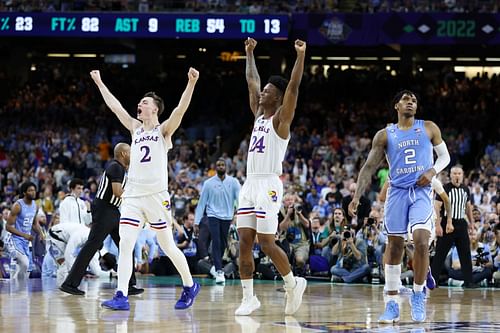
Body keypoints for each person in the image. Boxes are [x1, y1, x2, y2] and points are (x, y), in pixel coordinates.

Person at [91, 68, 200, 311]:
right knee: (126, 244)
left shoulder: (163, 131)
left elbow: (180, 110)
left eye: (145, 102)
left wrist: (191, 83)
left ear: (155, 109)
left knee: (168, 246)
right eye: (140, 101)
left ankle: (189, 285)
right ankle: (121, 295)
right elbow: (115, 106)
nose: (140, 104)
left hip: (156, 197)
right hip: (133, 197)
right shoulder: (134, 129)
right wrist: (99, 82)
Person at [348, 90, 450, 323]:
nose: (411, 102)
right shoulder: (385, 135)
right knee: (394, 247)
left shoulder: (429, 127)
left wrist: (432, 171)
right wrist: (356, 196)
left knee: (422, 241)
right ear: (396, 106)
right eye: (406, 99)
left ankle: (417, 295)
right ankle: (391, 302)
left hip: (422, 192)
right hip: (396, 192)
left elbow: (445, 157)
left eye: (414, 100)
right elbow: (368, 167)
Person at [234, 37, 307, 316]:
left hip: (268, 184)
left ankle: (292, 283)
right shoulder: (258, 117)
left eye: (267, 91)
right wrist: (249, 53)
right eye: (262, 91)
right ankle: (249, 298)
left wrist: (300, 56)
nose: (261, 93)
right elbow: (251, 80)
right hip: (250, 183)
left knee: (266, 243)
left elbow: (294, 87)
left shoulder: (280, 120)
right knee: (244, 241)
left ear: (276, 97)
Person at [60, 143, 143, 296]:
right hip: (105, 209)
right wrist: (135, 198)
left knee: (126, 245)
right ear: (124, 154)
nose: (133, 155)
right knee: (92, 245)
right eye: (131, 152)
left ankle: (128, 284)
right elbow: (118, 192)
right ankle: (69, 284)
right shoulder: (116, 167)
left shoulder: (121, 169)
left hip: (112, 210)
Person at [194, 158, 241, 284]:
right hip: (212, 215)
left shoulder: (234, 182)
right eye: (218, 165)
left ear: (226, 167)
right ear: (215, 168)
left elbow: (240, 200)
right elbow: (202, 203)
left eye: (222, 165)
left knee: (223, 243)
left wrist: (241, 214)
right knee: (216, 240)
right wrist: (196, 222)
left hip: (227, 216)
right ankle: (220, 271)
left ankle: (215, 267)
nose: (220, 166)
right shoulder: (208, 183)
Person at [430, 166, 477, 288]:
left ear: (463, 175)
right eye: (454, 173)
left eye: (459, 173)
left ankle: (469, 281)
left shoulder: (466, 189)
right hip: (446, 223)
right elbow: (437, 207)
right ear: (450, 175)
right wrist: (438, 225)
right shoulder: (445, 189)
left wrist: (472, 223)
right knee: (440, 253)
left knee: (465, 253)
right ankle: (434, 280)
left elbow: (468, 207)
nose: (457, 176)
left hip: (461, 223)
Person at [5, 182, 43, 279]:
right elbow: (8, 227)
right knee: (25, 263)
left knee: (27, 271)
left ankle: (17, 288)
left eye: (34, 190)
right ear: (24, 193)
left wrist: (41, 233)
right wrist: (24, 235)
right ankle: (15, 283)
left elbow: (34, 224)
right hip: (14, 240)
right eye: (30, 190)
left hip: (26, 242)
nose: (33, 192)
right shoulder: (17, 206)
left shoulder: (36, 205)